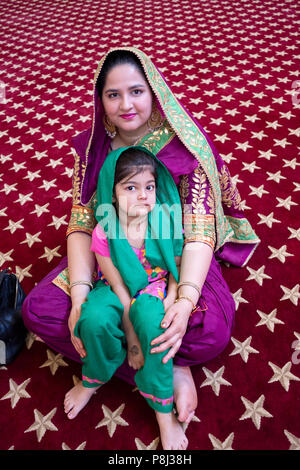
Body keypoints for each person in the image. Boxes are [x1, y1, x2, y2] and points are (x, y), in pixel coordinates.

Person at [22, 47, 260, 430]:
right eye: (113, 95)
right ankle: (166, 367)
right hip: (110, 255)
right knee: (40, 311)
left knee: (209, 331)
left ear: (155, 92)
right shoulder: (93, 148)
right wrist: (81, 296)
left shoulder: (186, 145)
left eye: (136, 91)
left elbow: (199, 232)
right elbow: (82, 223)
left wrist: (183, 299)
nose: (125, 104)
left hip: (173, 256)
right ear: (100, 100)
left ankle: (159, 360)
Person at [65, 146, 189, 449]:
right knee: (92, 318)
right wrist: (133, 344)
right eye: (131, 187)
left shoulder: (163, 220)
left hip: (154, 286)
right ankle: (93, 379)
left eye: (149, 187)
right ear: (113, 191)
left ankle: (162, 412)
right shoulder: (104, 233)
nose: (143, 195)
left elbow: (175, 266)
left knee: (155, 323)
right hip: (115, 287)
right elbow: (120, 290)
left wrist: (173, 297)